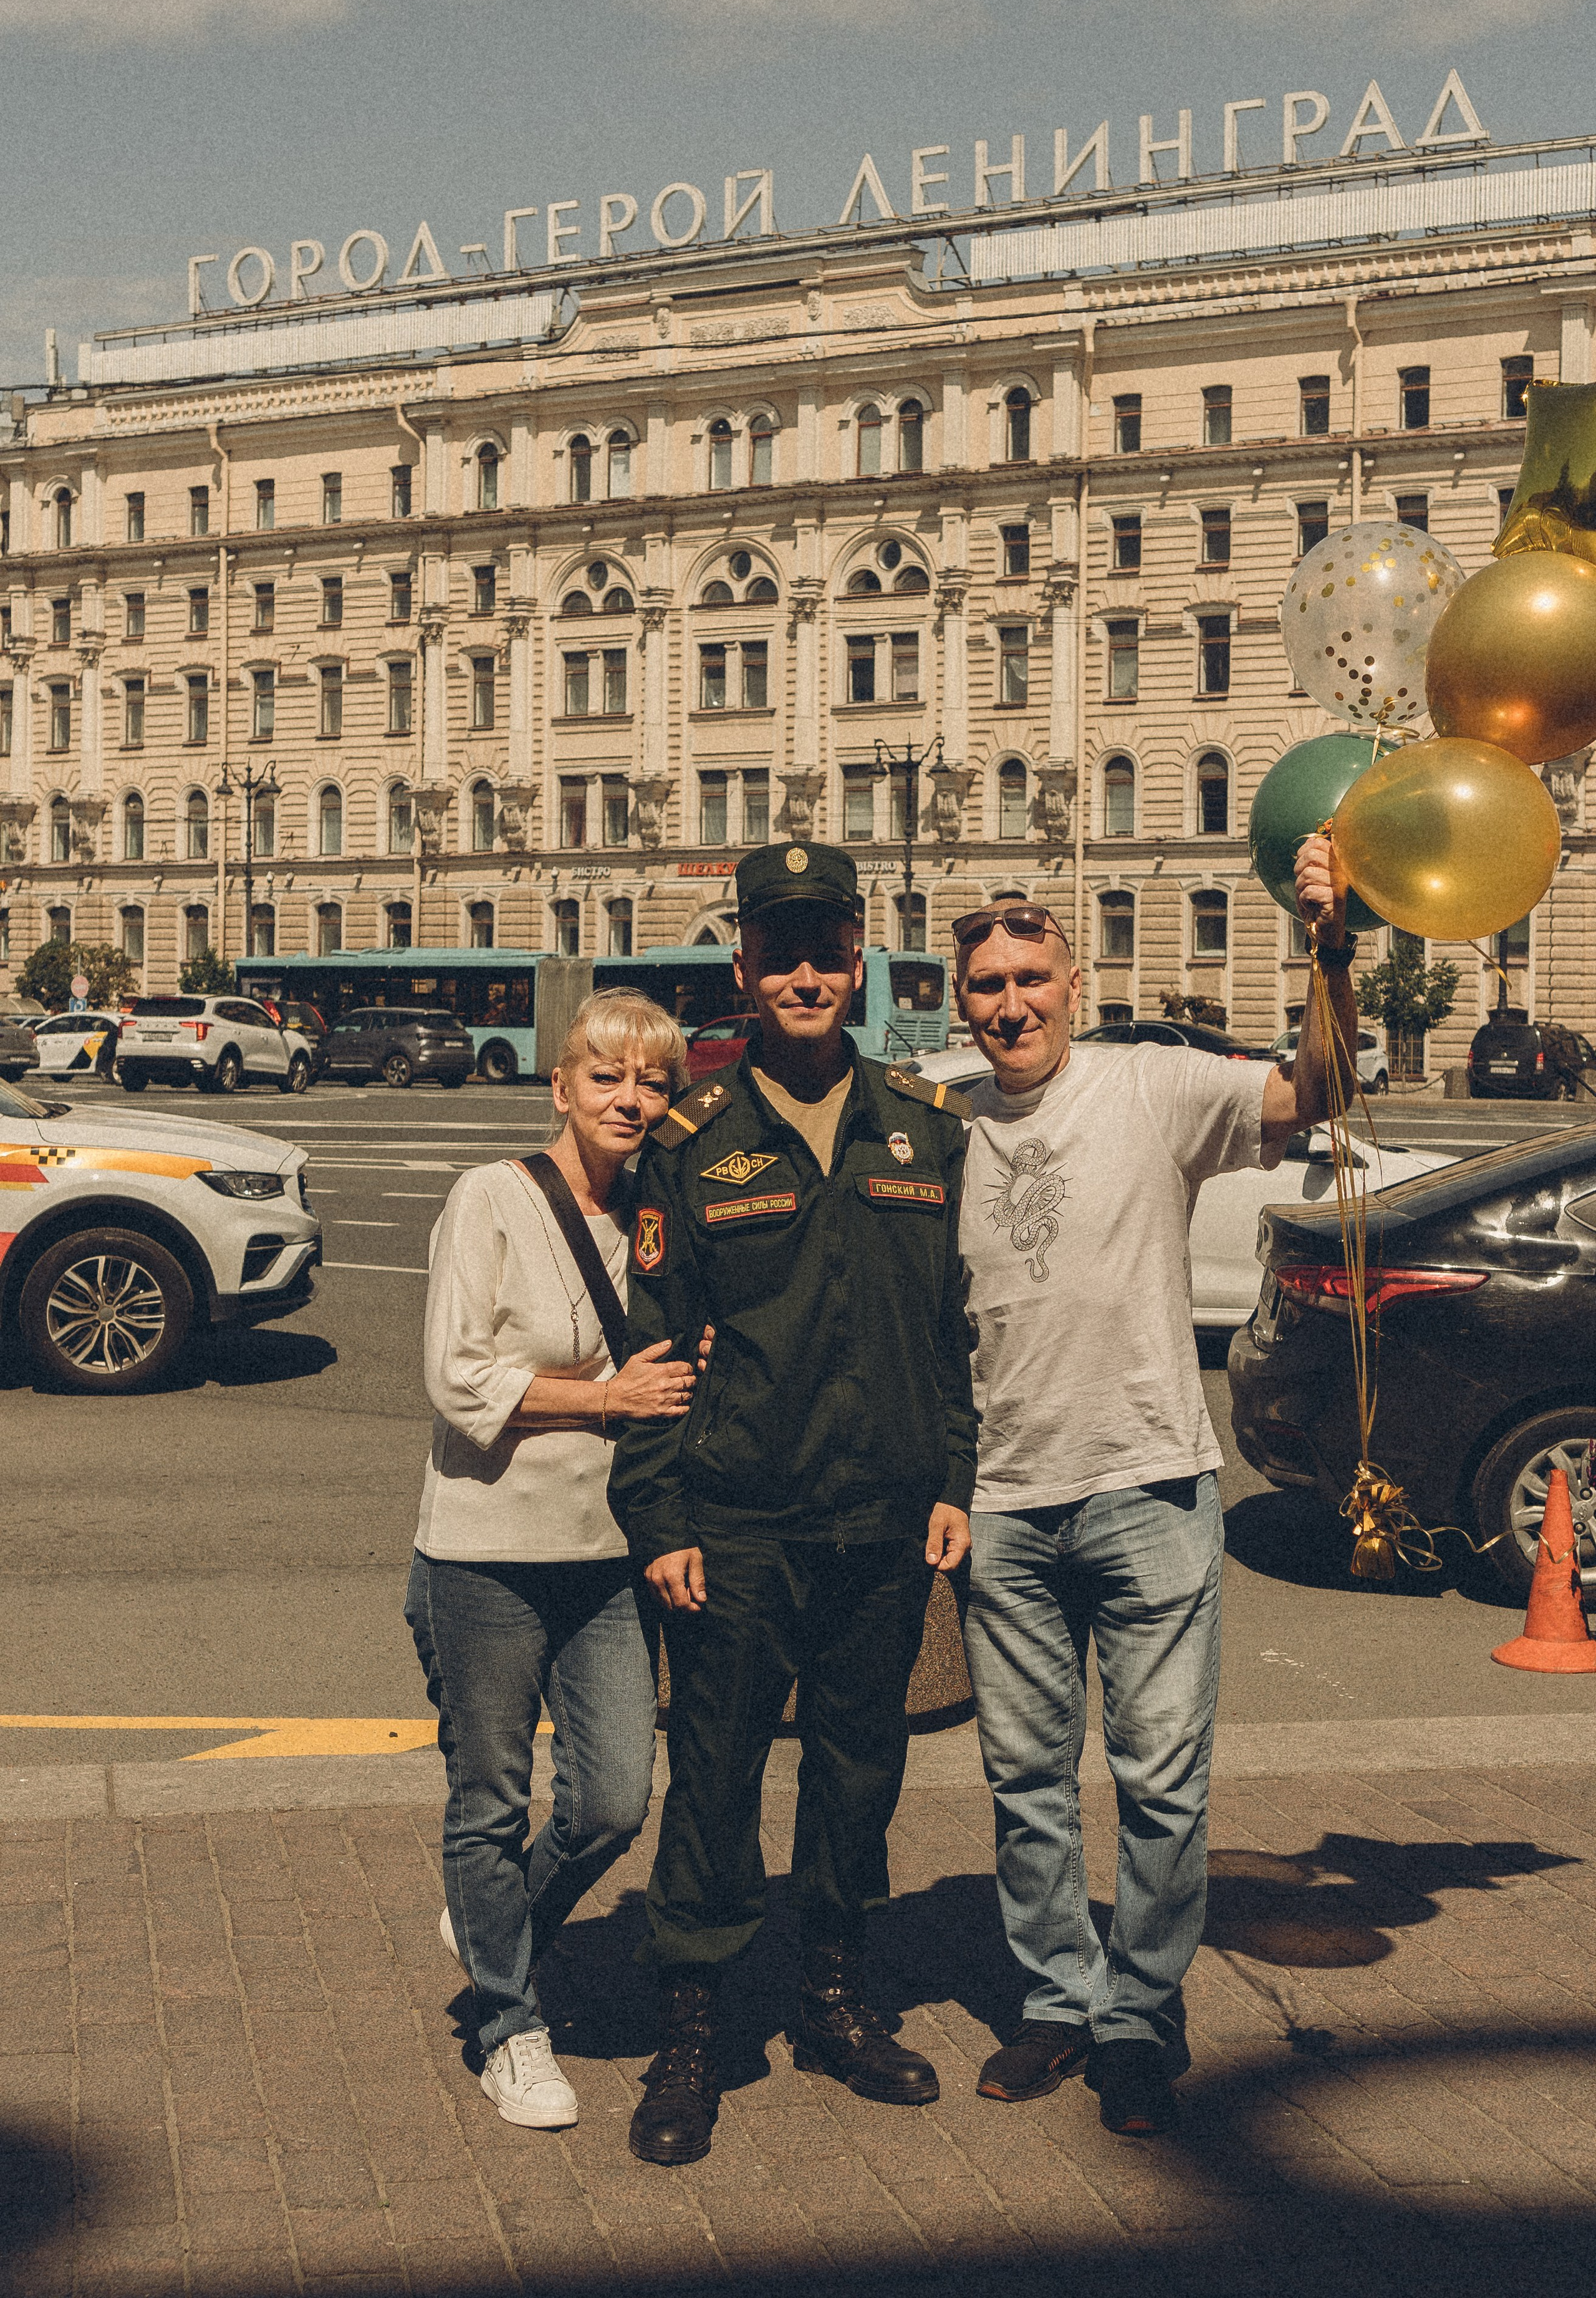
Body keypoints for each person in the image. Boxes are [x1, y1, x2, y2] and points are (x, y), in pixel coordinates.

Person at [953, 834, 1357, 2136]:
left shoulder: (1152, 1084)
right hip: (1004, 1502)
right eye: (986, 985)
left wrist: (1330, 947)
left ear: (1074, 985)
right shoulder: (946, 1126)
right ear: (960, 1002)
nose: (1011, 1004)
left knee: (1161, 1783)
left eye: (1032, 979)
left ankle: (1137, 2014)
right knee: (1024, 1781)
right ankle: (1056, 2000)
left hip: (1149, 1486)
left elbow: (1319, 1089)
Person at [608, 841, 977, 2168]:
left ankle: (832, 1999)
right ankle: (694, 2032)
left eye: (827, 950)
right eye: (781, 952)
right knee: (712, 1778)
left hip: (882, 1518)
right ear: (743, 967)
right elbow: (655, 1348)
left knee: (857, 1770)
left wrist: (953, 1479)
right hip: (739, 1522)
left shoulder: (925, 1126)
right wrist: (661, 1522)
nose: (806, 975)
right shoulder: (693, 1140)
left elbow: (949, 1329)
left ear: (859, 961)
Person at [405, 989, 699, 2132]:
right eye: (608, 1076)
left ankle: (495, 1926)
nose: (631, 1099)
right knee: (488, 1798)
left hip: (607, 1550)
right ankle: (507, 2027)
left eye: (654, 1082)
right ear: (562, 1084)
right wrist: (606, 1398)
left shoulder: (661, 1216)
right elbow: (457, 1376)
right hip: (485, 1549)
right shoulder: (492, 1195)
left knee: (615, 1800)